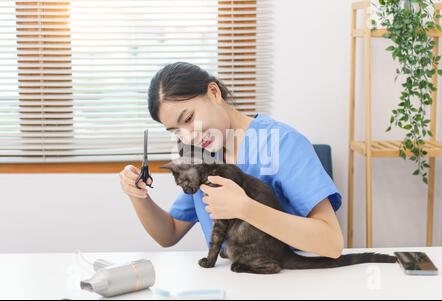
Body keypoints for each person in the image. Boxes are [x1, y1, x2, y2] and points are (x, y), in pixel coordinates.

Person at [119, 62, 344, 258]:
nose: (188, 136)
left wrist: (245, 208)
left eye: (188, 118)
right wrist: (137, 195)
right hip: (231, 281)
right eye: (176, 131)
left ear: (214, 92)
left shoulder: (283, 143)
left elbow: (331, 242)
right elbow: (169, 233)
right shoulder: (201, 158)